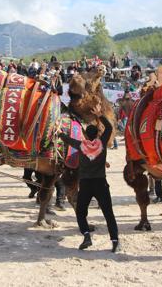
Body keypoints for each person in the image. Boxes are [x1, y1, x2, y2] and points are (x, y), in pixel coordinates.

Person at [59, 104, 119, 252]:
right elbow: (109, 129)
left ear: (85, 135)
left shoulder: (80, 145)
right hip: (101, 183)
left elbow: (66, 139)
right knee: (108, 213)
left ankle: (86, 235)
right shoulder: (102, 143)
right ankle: (115, 241)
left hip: (85, 184)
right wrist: (99, 115)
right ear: (97, 135)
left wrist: (59, 132)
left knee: (80, 212)